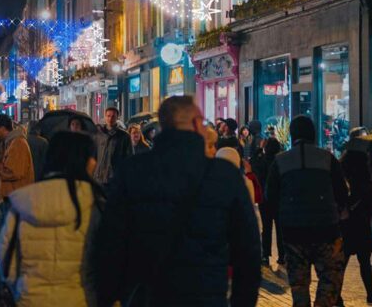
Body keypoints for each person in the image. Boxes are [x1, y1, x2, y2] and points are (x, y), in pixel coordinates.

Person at [94, 96, 261, 306]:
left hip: (147, 296)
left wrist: (108, 296)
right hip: (204, 295)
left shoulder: (133, 171)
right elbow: (248, 251)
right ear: (194, 124)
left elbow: (110, 243)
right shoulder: (224, 175)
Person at [0, 131, 103, 306]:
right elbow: (107, 264)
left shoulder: (22, 202)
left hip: (30, 300)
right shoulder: (96, 203)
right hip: (80, 300)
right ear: (83, 160)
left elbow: (7, 264)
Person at [266, 115, 348, 307]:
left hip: (293, 232)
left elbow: (271, 197)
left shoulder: (280, 161)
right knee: (330, 281)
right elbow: (342, 192)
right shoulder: (328, 159)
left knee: (299, 286)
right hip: (327, 230)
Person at [339, 149, 372, 305]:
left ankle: (336, 294)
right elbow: (371, 203)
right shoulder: (362, 180)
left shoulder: (342, 179)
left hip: (345, 225)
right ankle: (370, 293)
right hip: (360, 225)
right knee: (364, 261)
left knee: (342, 263)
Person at [0, 115, 35, 224]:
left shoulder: (18, 143)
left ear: (2, 128)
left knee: (8, 235)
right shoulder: (9, 143)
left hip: (14, 198)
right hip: (11, 196)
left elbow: (13, 171)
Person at [259, 136, 285, 267]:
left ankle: (265, 255)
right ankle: (282, 256)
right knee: (280, 229)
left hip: (265, 199)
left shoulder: (261, 161)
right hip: (279, 199)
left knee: (266, 227)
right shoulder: (282, 161)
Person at [94, 107, 130, 184]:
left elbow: (129, 158)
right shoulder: (98, 134)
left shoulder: (124, 136)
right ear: (105, 116)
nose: (110, 118)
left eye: (113, 116)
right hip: (98, 177)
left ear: (117, 117)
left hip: (115, 178)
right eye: (108, 116)